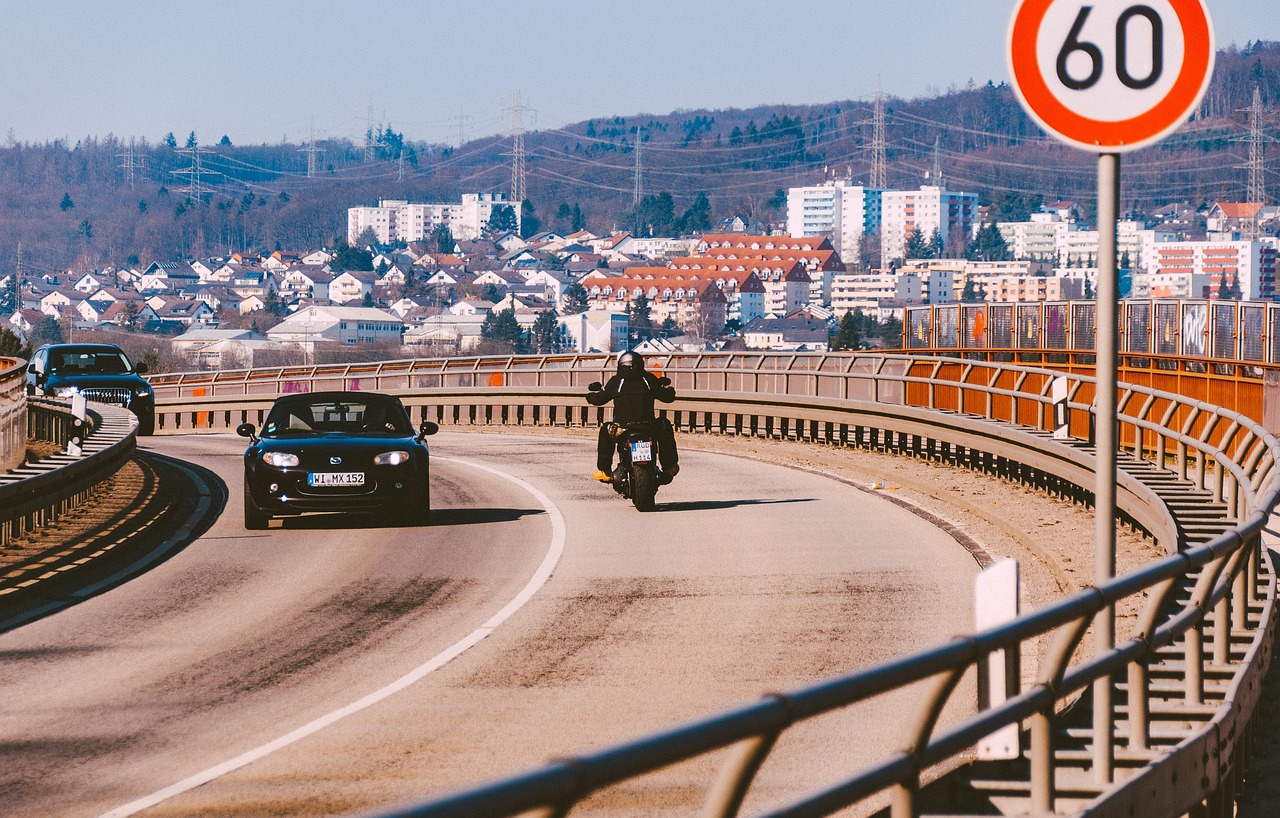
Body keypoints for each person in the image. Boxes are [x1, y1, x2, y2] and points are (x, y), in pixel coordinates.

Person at [586, 350, 679, 482]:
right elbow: (667, 397)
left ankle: (605, 470)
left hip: (622, 429)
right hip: (649, 427)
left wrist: (590, 396)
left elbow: (599, 399)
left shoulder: (616, 381)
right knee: (664, 425)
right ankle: (669, 467)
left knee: (605, 430)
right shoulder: (649, 380)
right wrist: (669, 389)